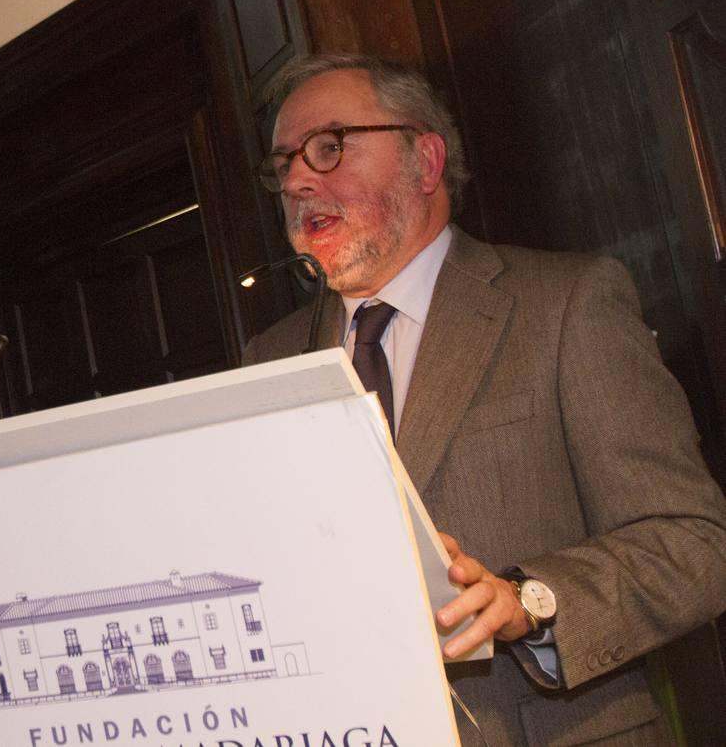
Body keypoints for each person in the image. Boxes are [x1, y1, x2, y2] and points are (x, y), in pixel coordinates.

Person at [243, 53, 726, 745]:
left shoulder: (565, 306)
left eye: (328, 147)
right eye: (283, 163)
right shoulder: (268, 360)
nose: (295, 179)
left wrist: (529, 601)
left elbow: (694, 545)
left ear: (426, 160)